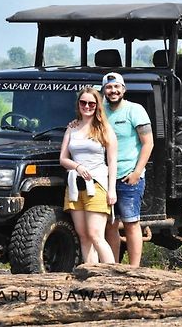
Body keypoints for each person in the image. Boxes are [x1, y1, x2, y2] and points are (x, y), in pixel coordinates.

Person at [60, 87, 117, 264]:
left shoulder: (104, 129)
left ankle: (113, 276)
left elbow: (113, 161)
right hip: (75, 186)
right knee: (84, 236)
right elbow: (63, 158)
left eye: (91, 103)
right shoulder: (72, 128)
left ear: (97, 105)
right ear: (78, 104)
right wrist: (77, 166)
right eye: (83, 102)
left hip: (97, 184)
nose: (87, 106)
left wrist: (112, 190)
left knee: (96, 235)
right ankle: (91, 276)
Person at [102, 72, 154, 268]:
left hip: (128, 176)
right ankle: (112, 266)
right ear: (104, 90)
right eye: (109, 87)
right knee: (110, 224)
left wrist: (136, 172)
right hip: (105, 177)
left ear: (123, 89)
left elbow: (148, 143)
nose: (113, 91)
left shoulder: (135, 110)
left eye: (117, 87)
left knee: (131, 223)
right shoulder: (100, 110)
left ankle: (134, 269)